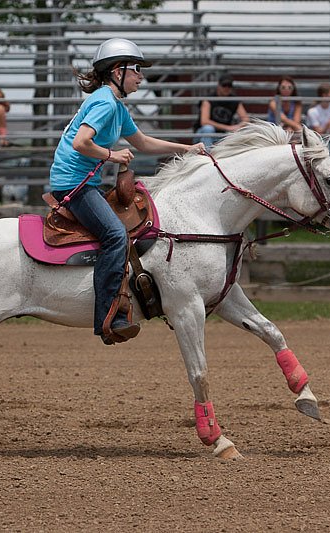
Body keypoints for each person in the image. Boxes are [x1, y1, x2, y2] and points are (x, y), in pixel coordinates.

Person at [49, 38, 205, 345]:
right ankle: (110, 316)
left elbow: (144, 143)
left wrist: (187, 149)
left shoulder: (116, 107)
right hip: (74, 184)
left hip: (84, 182)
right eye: (136, 70)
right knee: (116, 235)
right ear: (117, 71)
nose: (140, 77)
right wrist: (113, 156)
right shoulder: (105, 102)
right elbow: (82, 142)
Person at [193, 73, 249, 149]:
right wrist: (228, 128)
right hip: (202, 135)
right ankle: (207, 156)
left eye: (229, 86)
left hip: (222, 135)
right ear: (218, 86)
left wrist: (238, 127)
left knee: (239, 132)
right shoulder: (209, 99)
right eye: (224, 85)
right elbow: (204, 121)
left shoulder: (234, 100)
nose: (226, 88)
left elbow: (246, 119)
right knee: (208, 128)